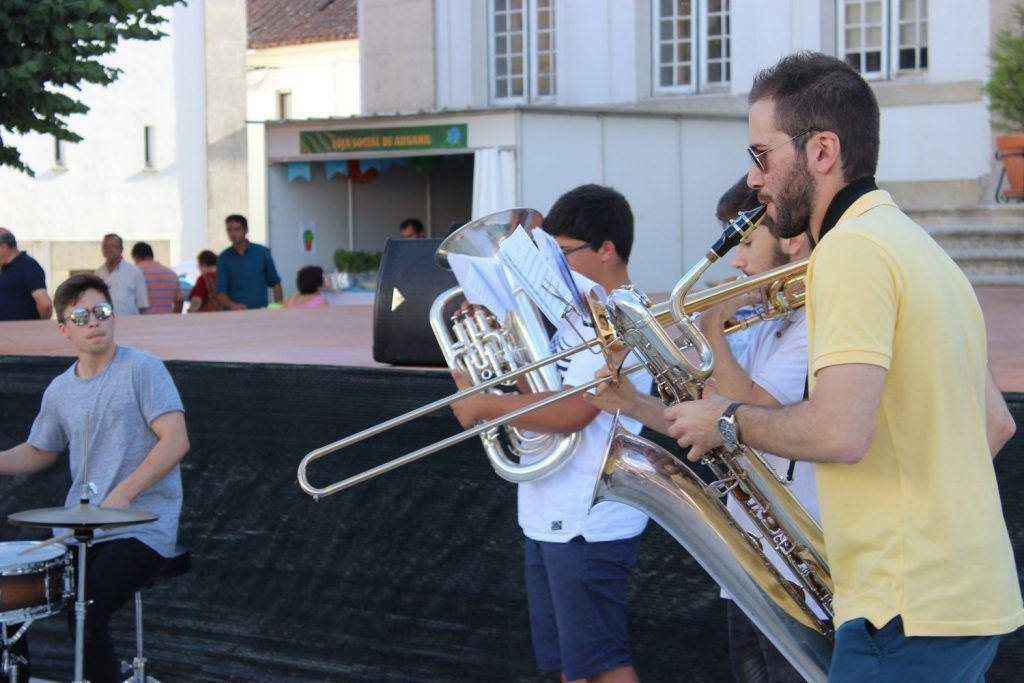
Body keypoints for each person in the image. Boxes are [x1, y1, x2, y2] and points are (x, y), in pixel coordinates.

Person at [662, 52, 1021, 682]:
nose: (754, 180)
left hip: (904, 610)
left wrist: (725, 419)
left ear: (822, 151)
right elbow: (996, 426)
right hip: (959, 598)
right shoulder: (917, 247)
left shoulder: (849, 253)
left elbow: (839, 432)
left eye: (761, 154)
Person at [586, 176, 815, 683]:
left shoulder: (812, 325)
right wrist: (633, 400)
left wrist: (709, 326)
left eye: (747, 243)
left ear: (792, 242)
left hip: (798, 567)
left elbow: (747, 411)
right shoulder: (768, 322)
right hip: (754, 561)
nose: (737, 262)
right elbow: (707, 416)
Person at [449, 185, 653, 683]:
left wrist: (481, 405)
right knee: (573, 666)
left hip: (588, 517)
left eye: (562, 255)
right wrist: (490, 355)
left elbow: (573, 412)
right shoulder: (575, 319)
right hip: (552, 513)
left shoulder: (615, 316)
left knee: (602, 663)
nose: (551, 270)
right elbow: (540, 391)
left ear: (607, 249)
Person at [0, 273, 189, 683]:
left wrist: (123, 493)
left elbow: (175, 441)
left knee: (84, 610)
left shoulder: (143, 369)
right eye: (81, 316)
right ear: (65, 329)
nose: (94, 322)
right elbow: (39, 451)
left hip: (142, 527)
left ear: (114, 317)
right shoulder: (59, 390)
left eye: (102, 312)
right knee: (7, 605)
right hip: (80, 530)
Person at [216, 214, 283, 311]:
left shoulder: (262, 253)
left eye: (237, 229)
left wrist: (279, 308)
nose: (233, 234)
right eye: (229, 230)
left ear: (246, 230)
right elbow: (220, 291)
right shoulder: (223, 258)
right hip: (233, 314)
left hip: (260, 312)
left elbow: (275, 283)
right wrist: (232, 306)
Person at [0, 228, 52, 321]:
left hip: (21, 332)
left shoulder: (28, 266)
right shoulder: (6, 269)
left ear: (3, 247)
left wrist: (37, 328)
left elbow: (45, 305)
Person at [95, 234, 148, 316]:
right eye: (106, 246)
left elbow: (143, 306)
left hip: (128, 325)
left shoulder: (134, 272)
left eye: (113, 246)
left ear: (121, 249)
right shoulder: (98, 273)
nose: (109, 249)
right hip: (104, 325)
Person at [131, 242, 183, 314]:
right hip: (167, 322)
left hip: (142, 322)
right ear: (151, 255)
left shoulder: (133, 274)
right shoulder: (171, 274)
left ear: (136, 257)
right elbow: (179, 301)